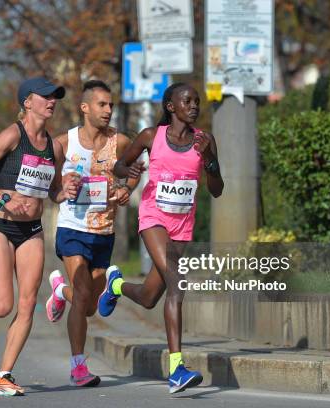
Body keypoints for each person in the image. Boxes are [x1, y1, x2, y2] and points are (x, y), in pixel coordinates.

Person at [97, 83, 224, 394]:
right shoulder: (150, 136)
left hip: (183, 225)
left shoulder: (204, 141)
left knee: (150, 297)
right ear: (171, 106)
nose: (194, 106)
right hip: (153, 218)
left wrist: (208, 159)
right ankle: (176, 368)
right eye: (187, 101)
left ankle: (115, 285)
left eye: (196, 101)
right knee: (177, 283)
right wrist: (132, 169)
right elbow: (118, 165)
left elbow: (217, 189)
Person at [0, 76, 74, 397]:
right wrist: (3, 197)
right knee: (1, 306)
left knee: (28, 302)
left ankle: (3, 375)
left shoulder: (55, 147)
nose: (52, 101)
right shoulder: (12, 135)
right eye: (45, 96)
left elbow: (54, 191)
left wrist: (67, 190)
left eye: (55, 97)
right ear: (27, 102)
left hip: (32, 230)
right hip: (1, 227)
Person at [45, 80, 139, 387]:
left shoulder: (121, 142)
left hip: (104, 231)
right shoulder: (63, 143)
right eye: (102, 104)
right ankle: (78, 367)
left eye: (111, 105)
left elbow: (136, 170)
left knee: (86, 307)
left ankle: (59, 291)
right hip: (72, 228)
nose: (108, 110)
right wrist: (62, 189)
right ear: (84, 108)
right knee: (83, 293)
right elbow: (50, 189)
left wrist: (126, 189)